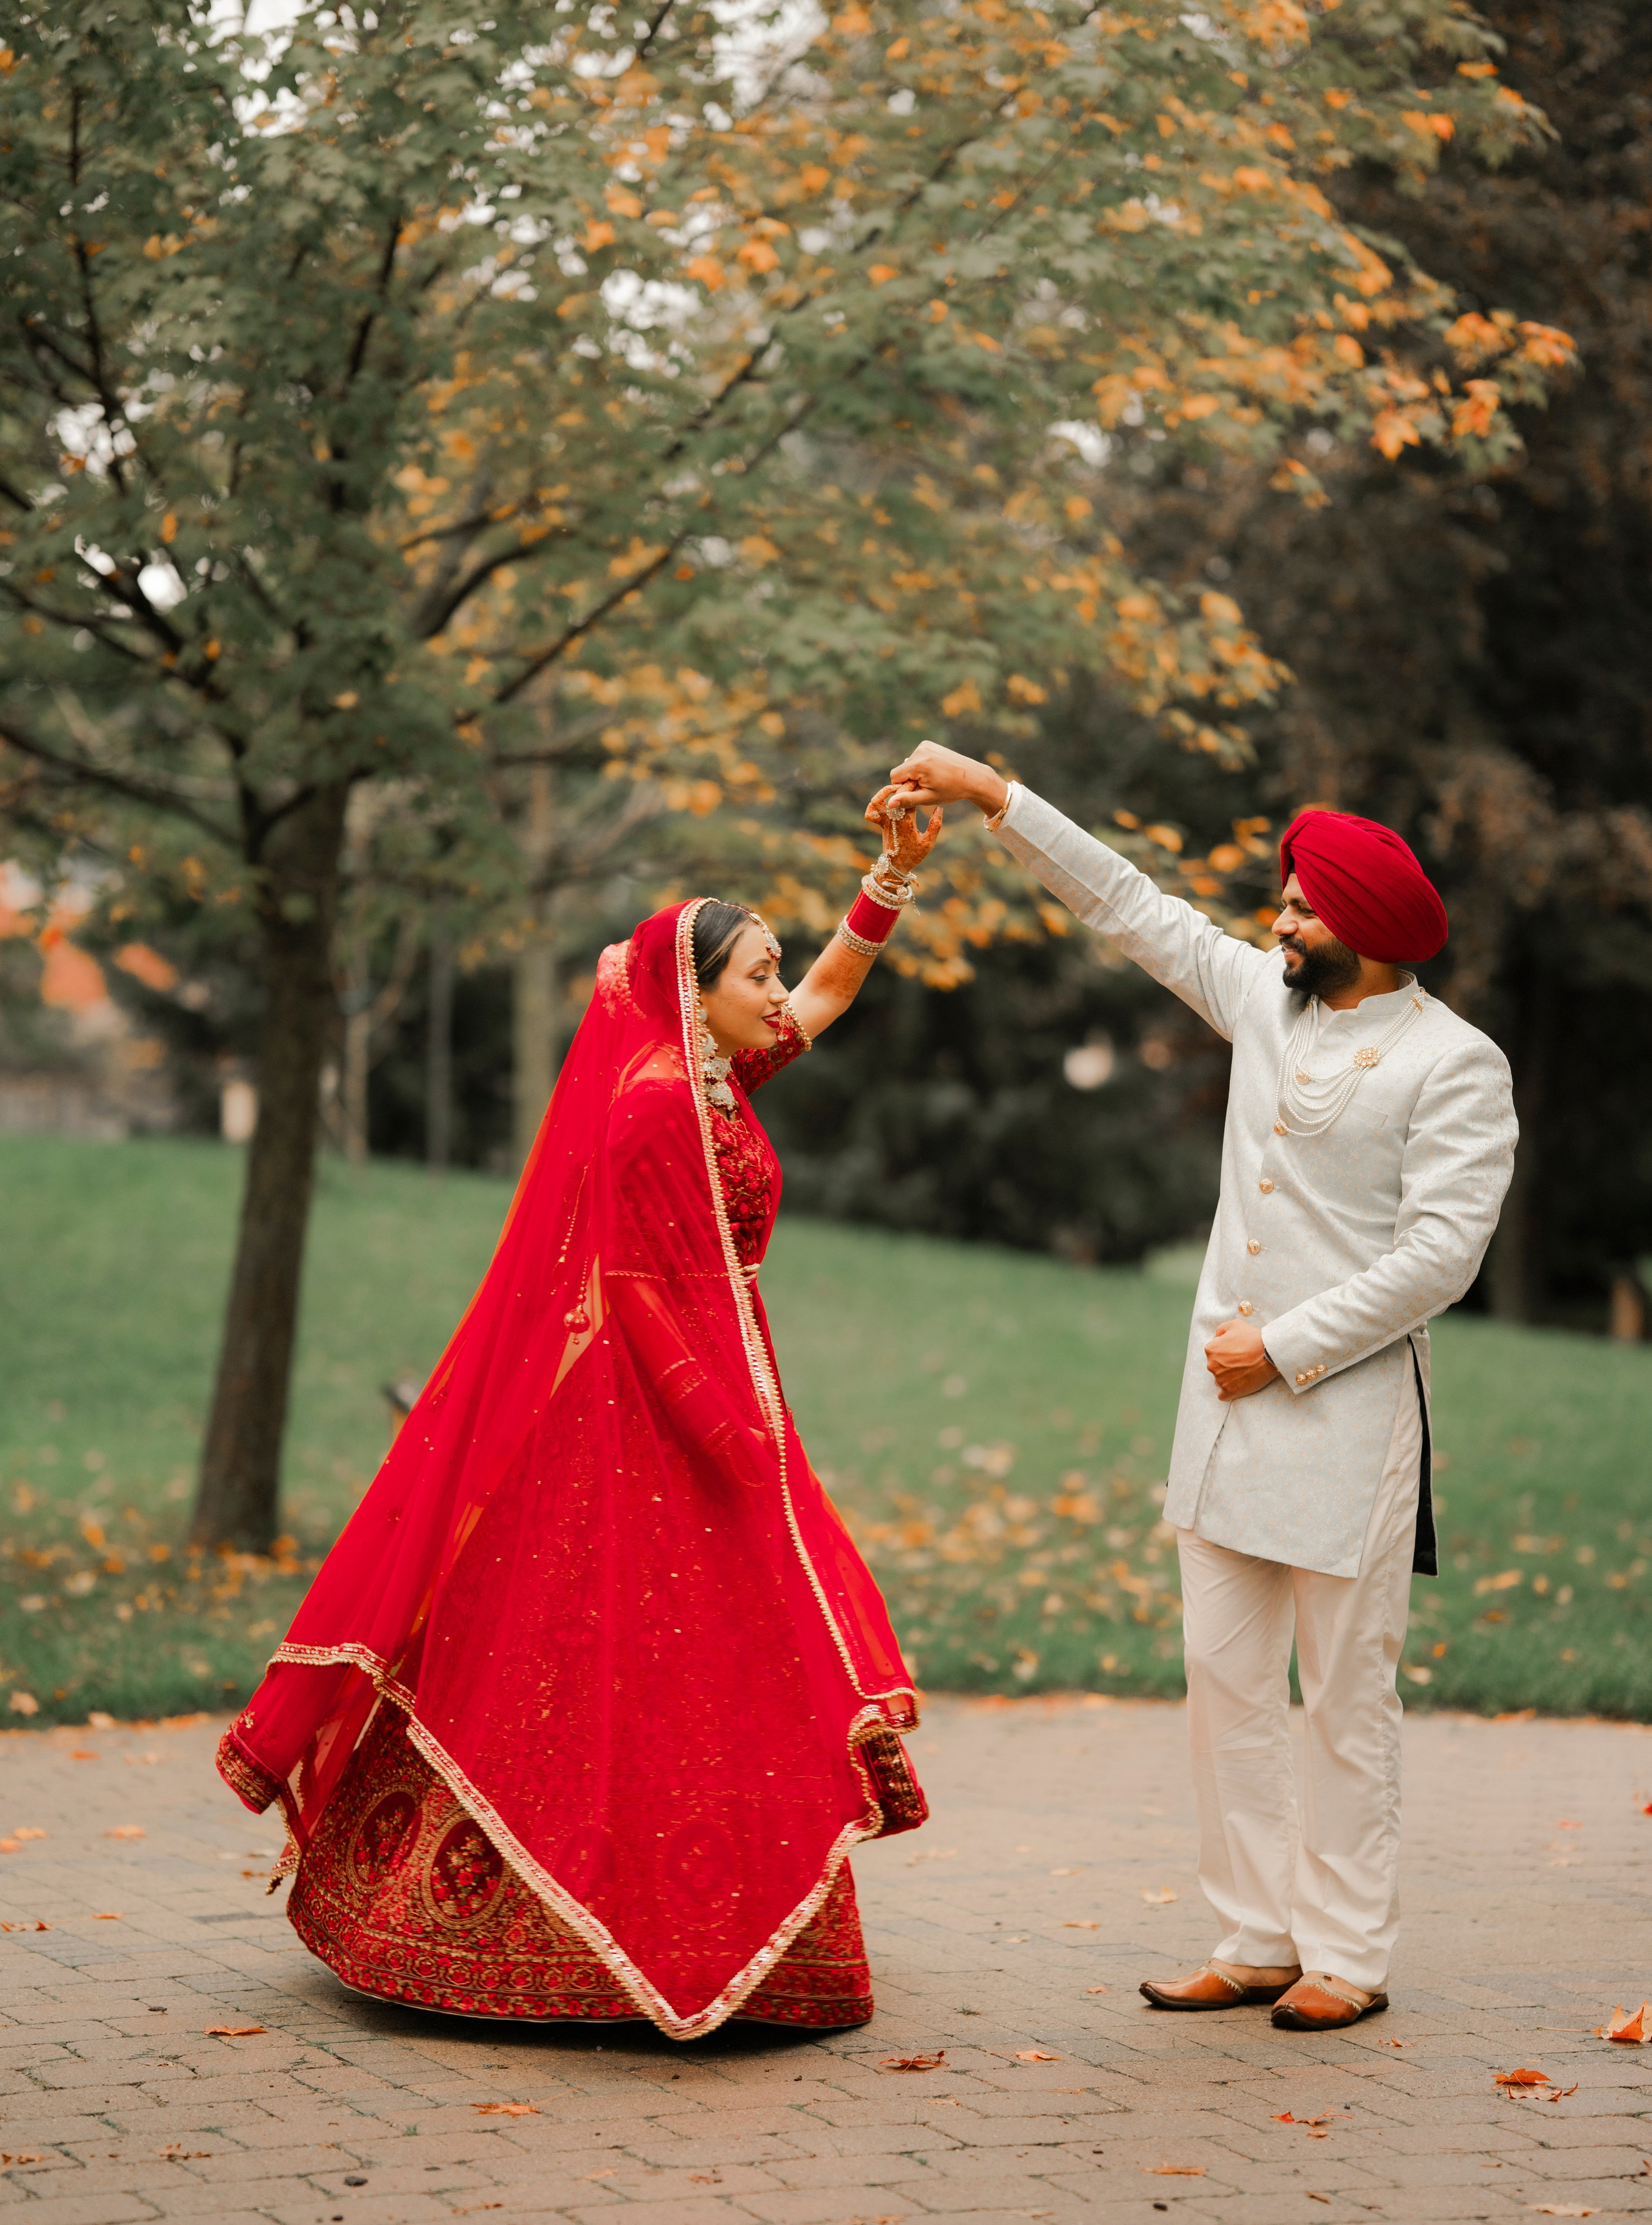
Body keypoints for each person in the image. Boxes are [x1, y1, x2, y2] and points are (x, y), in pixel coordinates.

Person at [216, 798, 942, 2040]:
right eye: (756, 974)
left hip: (725, 1376)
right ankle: (574, 1931)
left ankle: (727, 1914)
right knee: (619, 1648)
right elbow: (635, 1285)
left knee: (717, 1644)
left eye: (771, 972)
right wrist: (719, 1425)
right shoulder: (654, 1100)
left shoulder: (712, 1070)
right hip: (653, 1408)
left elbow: (823, 998)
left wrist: (892, 877)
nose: (780, 994)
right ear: (693, 987)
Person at [880, 742, 1516, 2031]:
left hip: (1344, 1417)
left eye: (1298, 900)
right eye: (1279, 896)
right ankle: (1253, 1932)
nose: (1274, 916)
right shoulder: (1259, 1004)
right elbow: (1127, 901)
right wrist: (993, 796)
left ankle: (1346, 1949)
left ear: (1372, 925)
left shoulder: (1455, 1063)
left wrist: (1282, 1348)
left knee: (1344, 1693)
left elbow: (1438, 1258)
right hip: (1223, 1421)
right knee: (1222, 1679)